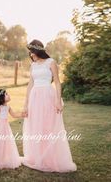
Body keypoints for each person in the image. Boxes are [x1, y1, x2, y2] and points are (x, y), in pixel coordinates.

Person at [21, 39, 77, 172]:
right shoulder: (33, 65)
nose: (30, 54)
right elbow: (30, 84)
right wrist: (25, 103)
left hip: (48, 96)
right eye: (29, 52)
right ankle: (37, 157)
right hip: (35, 97)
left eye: (32, 51)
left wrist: (58, 100)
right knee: (35, 126)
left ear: (37, 50)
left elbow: (57, 82)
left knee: (48, 127)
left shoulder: (51, 62)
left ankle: (50, 158)